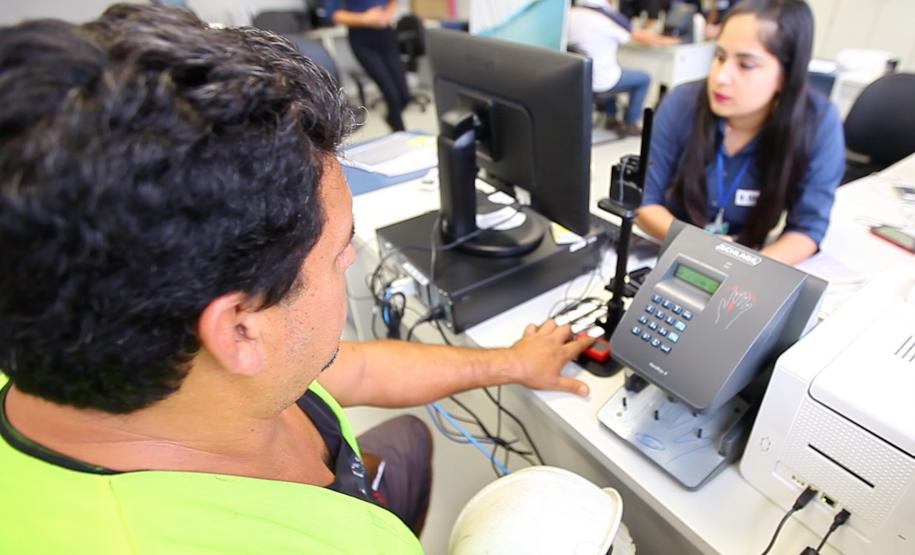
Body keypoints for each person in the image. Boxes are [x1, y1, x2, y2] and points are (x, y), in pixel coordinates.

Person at [0, 5, 595, 553]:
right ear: (239, 332)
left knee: (410, 439)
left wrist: (509, 363)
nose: (352, 262)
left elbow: (351, 368)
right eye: (339, 252)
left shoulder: (84, 344)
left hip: (344, 486)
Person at [636, 0, 845, 264]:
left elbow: (807, 228)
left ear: (786, 74)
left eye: (745, 65)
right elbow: (644, 202)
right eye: (720, 57)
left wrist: (749, 268)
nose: (721, 77)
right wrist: (702, 247)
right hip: (674, 248)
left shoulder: (817, 121)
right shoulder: (682, 102)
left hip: (755, 257)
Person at [568, 0, 679, 136]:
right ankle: (630, 123)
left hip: (578, 79)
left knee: (613, 68)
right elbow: (640, 36)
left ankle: (611, 117)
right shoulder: (609, 17)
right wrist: (672, 40)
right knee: (644, 79)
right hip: (600, 80)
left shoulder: (570, 13)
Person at [326, 0, 410, 132]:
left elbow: (393, 2)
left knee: (404, 95)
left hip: (386, 35)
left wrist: (386, 15)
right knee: (391, 94)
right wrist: (365, 19)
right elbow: (333, 14)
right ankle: (400, 132)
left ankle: (391, 119)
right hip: (362, 39)